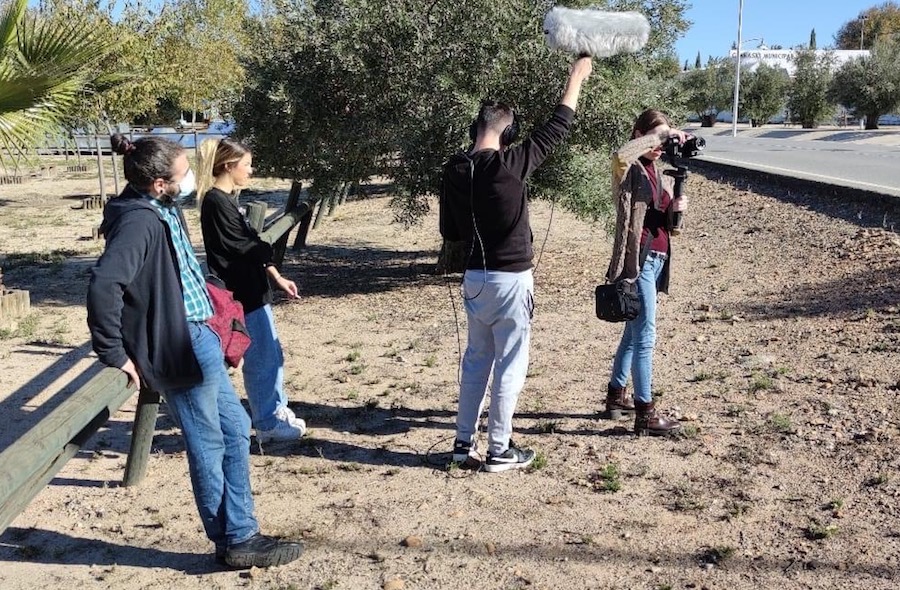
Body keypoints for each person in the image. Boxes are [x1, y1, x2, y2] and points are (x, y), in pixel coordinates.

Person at [86, 134, 304, 568]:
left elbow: (180, 276)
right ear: (160, 184)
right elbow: (105, 285)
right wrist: (113, 352)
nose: (191, 181)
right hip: (178, 345)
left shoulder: (160, 209)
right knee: (209, 440)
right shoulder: (139, 222)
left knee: (236, 430)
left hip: (199, 338)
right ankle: (235, 539)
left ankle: (241, 533)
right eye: (184, 175)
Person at [440, 56, 593, 472]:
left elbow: (451, 233)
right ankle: (500, 449)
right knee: (510, 363)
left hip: (474, 279)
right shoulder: (509, 165)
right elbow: (558, 126)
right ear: (508, 133)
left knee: (476, 360)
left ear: (476, 128)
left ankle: (461, 444)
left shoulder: (454, 169)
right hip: (511, 281)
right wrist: (576, 77)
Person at [197, 138, 306, 443]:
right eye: (246, 164)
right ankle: (268, 422)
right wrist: (265, 252)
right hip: (241, 293)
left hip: (254, 289)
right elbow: (244, 245)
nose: (250, 170)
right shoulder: (216, 203)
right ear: (229, 166)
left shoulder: (229, 200)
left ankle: (276, 409)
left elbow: (251, 242)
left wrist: (276, 275)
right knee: (261, 357)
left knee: (271, 353)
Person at [603, 109, 690, 436]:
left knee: (633, 333)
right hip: (637, 261)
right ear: (639, 133)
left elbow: (666, 225)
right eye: (654, 138)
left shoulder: (660, 174)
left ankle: (616, 397)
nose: (658, 147)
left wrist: (676, 210)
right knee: (645, 336)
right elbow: (622, 152)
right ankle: (645, 414)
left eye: (662, 140)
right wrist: (666, 134)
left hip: (656, 261)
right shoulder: (627, 167)